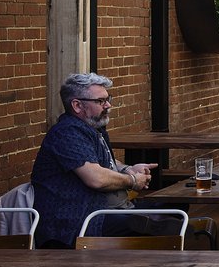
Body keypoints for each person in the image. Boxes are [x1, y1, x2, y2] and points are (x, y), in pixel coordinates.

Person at [30, 72, 159, 248]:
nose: (108, 105)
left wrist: (128, 169)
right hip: (79, 221)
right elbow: (96, 179)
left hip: (107, 210)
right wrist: (133, 181)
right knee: (157, 226)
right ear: (77, 105)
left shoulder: (93, 127)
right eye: (100, 101)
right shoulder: (67, 132)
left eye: (108, 99)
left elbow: (104, 163)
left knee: (175, 210)